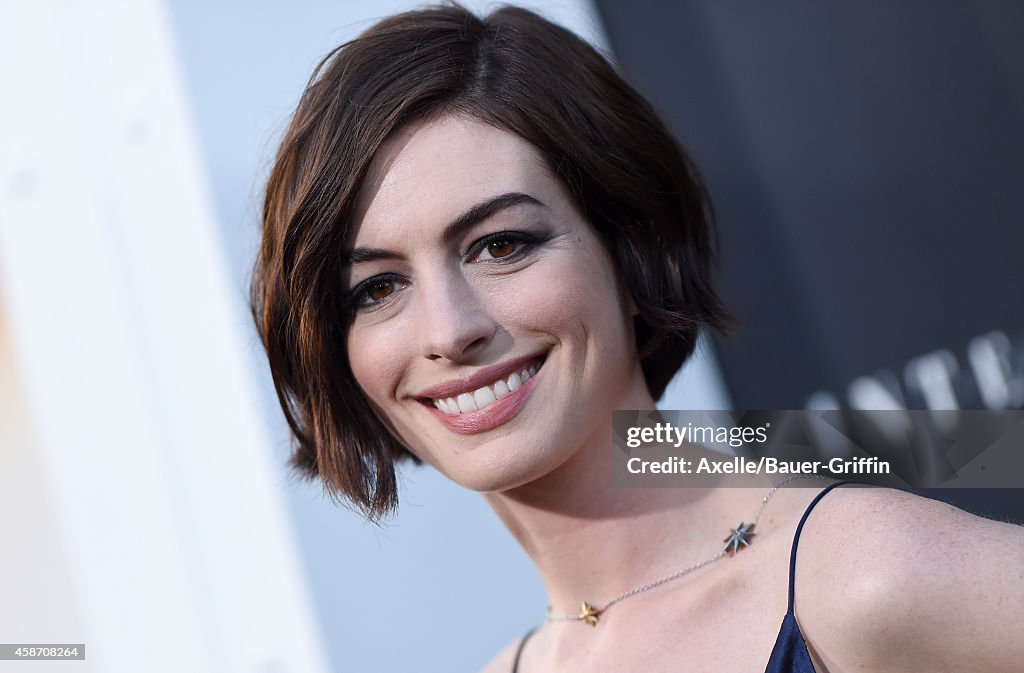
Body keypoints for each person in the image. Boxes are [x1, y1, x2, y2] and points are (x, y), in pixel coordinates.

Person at [249, 4, 1024, 672]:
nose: (450, 331)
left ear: (629, 244)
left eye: (502, 244)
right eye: (378, 288)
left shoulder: (868, 574)